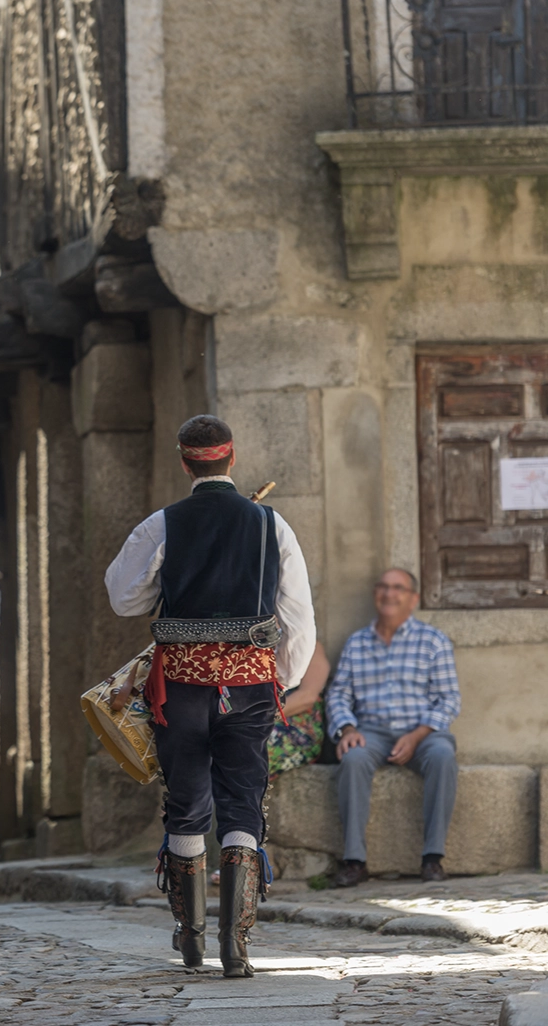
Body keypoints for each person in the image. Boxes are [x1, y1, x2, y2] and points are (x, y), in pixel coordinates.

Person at [105, 415, 315, 978]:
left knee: (187, 801)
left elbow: (124, 598)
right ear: (232, 458)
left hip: (179, 688)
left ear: (184, 461)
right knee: (243, 801)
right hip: (248, 687)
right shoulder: (274, 526)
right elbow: (298, 618)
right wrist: (283, 679)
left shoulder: (162, 525)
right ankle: (236, 945)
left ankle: (191, 938)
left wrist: (165, 587)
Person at [326, 568, 460, 887]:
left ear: (413, 599)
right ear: (376, 594)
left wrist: (417, 736)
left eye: (398, 588)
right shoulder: (357, 643)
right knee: (353, 758)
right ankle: (355, 861)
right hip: (371, 730)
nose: (389, 594)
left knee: (443, 757)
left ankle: (432, 858)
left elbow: (449, 699)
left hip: (423, 732)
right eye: (383, 587)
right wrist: (347, 728)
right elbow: (339, 692)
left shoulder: (433, 641)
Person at [269, 642, 332, 778]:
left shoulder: (310, 646)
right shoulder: (253, 645)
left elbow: (307, 697)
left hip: (297, 730)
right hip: (261, 723)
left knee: (250, 744)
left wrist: (259, 717)